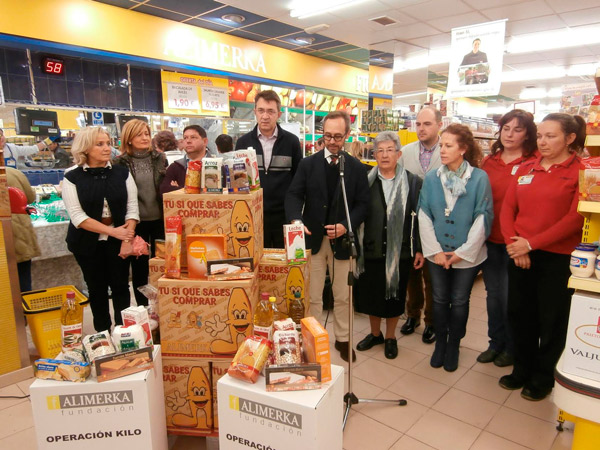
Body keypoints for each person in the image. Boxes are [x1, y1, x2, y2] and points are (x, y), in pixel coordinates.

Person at [499, 113, 585, 401]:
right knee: (520, 315)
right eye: (541, 136)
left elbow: (574, 219)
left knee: (552, 319)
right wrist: (515, 245)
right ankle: (522, 368)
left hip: (556, 259)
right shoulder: (526, 168)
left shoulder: (580, 172)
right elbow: (508, 209)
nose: (543, 142)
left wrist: (530, 244)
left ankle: (543, 376)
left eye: (552, 136)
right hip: (519, 253)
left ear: (570, 139)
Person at [286, 110, 370, 362]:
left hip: (342, 242)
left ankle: (343, 340)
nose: (332, 142)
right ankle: (313, 339)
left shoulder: (355, 167)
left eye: (338, 136)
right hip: (312, 239)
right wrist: (296, 220)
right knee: (312, 297)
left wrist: (346, 225)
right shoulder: (307, 164)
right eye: (327, 136)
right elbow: (293, 195)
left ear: (347, 135)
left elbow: (363, 204)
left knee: (343, 295)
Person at [418, 123, 493, 372]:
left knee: (460, 300)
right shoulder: (432, 177)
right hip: (437, 252)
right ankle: (440, 342)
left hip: (467, 255)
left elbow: (483, 216)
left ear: (463, 149)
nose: (442, 150)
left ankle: (454, 345)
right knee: (438, 299)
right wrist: (436, 251)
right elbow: (424, 214)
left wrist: (462, 253)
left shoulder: (479, 178)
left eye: (448, 146)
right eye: (442, 145)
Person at [62, 127, 138, 331]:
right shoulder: (72, 177)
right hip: (86, 243)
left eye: (108, 143)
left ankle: (125, 333)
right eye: (100, 144)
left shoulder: (122, 173)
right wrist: (114, 232)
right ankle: (102, 334)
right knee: (97, 290)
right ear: (85, 148)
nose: (107, 148)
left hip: (120, 241)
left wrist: (126, 240)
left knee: (121, 286)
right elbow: (78, 217)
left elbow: (132, 210)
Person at [354, 131, 423, 359]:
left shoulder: (413, 183)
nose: (384, 155)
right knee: (373, 296)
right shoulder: (365, 182)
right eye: (380, 151)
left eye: (390, 150)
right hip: (371, 249)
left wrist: (419, 248)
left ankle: (391, 337)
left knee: (394, 297)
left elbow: (419, 218)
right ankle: (375, 334)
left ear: (398, 153)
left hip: (400, 250)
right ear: (374, 154)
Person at [477, 110, 537, 368]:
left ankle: (513, 347)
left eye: (518, 129)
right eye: (506, 128)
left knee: (513, 298)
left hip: (518, 243)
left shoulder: (534, 162)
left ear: (527, 134)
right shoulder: (490, 162)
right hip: (491, 239)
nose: (510, 134)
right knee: (493, 295)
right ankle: (495, 342)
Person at [398, 106, 443, 344]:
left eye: (427, 124)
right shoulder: (406, 152)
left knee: (432, 273)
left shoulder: (448, 150)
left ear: (439, 125)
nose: (421, 129)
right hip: (411, 220)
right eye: (418, 124)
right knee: (411, 272)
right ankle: (412, 314)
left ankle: (432, 321)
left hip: (437, 222)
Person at [236, 90, 302, 248]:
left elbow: (298, 180)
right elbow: (238, 180)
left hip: (284, 215)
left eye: (270, 111)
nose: (265, 116)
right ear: (255, 112)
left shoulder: (291, 142)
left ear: (279, 114)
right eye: (261, 110)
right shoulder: (242, 143)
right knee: (258, 260)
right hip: (253, 214)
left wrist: (295, 214)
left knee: (282, 262)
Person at [114, 119, 166, 306]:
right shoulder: (119, 163)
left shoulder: (160, 158)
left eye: (146, 133)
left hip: (160, 219)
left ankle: (162, 308)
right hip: (137, 222)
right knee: (140, 268)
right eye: (139, 134)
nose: (145, 138)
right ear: (128, 138)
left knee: (162, 265)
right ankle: (143, 310)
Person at [6, 167, 41, 292]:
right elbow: (30, 197)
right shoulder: (13, 172)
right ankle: (25, 310)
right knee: (22, 280)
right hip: (19, 233)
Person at [160, 125, 208, 195]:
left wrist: (179, 190)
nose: (188, 141)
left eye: (193, 137)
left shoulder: (217, 166)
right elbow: (164, 193)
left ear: (205, 141)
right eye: (185, 138)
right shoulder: (175, 167)